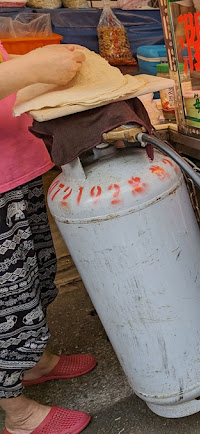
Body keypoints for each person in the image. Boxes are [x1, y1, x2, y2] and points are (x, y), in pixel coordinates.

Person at [0, 42, 97, 434]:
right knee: (6, 302)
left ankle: (34, 362)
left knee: (35, 280)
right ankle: (16, 412)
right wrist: (31, 67)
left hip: (16, 172)